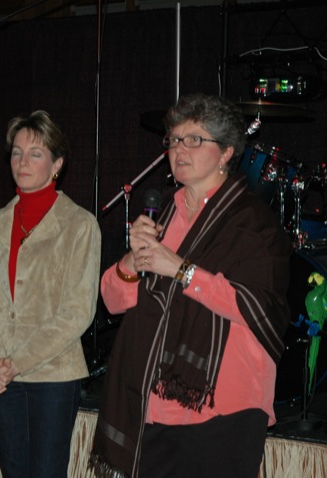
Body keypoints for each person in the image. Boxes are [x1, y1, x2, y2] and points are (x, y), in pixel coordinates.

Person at [90, 93, 292, 477]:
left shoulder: (253, 223)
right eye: (174, 140)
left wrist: (181, 271)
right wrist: (132, 260)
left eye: (195, 140)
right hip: (154, 399)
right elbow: (113, 301)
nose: (179, 149)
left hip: (225, 403)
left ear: (226, 152)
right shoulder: (162, 213)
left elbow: (257, 307)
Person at [0, 110, 102, 478]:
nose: (22, 162)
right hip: (0, 373)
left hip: (53, 375)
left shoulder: (80, 224)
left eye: (35, 153)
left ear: (57, 164)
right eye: (16, 152)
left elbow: (77, 311)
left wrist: (16, 363)